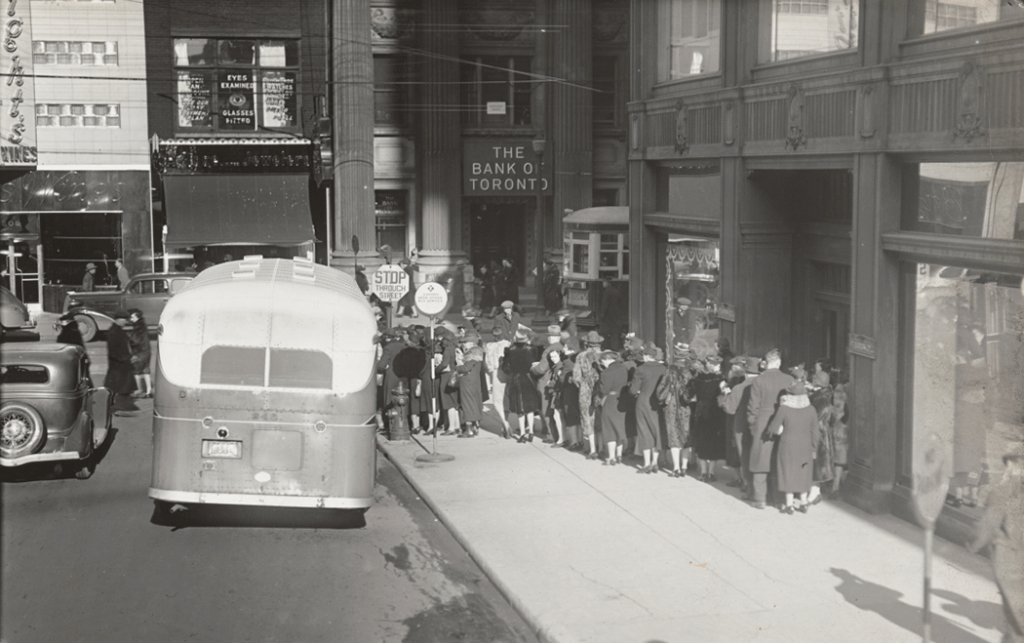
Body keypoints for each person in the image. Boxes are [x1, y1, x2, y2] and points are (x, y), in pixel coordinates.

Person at [966, 445, 1024, 643]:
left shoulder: (1002, 492)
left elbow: (985, 527)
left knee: (1016, 622)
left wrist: (971, 543)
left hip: (1012, 564)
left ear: (1012, 465)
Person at [745, 349, 795, 509]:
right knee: (779, 460)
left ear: (766, 363)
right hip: (784, 422)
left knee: (760, 459)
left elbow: (753, 407)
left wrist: (753, 425)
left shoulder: (759, 380)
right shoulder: (789, 379)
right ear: (779, 363)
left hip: (763, 422)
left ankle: (759, 498)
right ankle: (779, 499)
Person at [767, 380, 820, 514]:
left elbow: (773, 428)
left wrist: (780, 429)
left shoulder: (784, 408)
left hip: (787, 445)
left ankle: (789, 505)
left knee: (787, 472)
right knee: (803, 473)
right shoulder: (811, 409)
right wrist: (814, 448)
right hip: (805, 446)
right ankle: (803, 503)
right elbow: (815, 432)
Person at [720, 355, 762, 495]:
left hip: (741, 426)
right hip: (760, 424)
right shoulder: (763, 384)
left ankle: (747, 484)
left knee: (744, 455)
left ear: (745, 371)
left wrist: (725, 395)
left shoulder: (739, 387)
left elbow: (729, 409)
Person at [656, 351, 695, 478]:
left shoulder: (669, 371)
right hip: (686, 409)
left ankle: (676, 468)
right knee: (685, 438)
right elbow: (693, 392)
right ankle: (684, 467)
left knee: (673, 437)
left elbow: (660, 391)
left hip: (671, 407)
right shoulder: (690, 373)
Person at [630, 343, 667, 474]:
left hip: (643, 402)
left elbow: (633, 390)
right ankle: (655, 462)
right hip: (658, 403)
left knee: (644, 431)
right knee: (657, 430)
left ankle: (646, 464)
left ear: (646, 356)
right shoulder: (663, 368)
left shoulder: (640, 369)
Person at [691, 355, 727, 482]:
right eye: (717, 365)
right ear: (714, 365)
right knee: (713, 441)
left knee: (701, 441)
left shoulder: (698, 379)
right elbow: (725, 395)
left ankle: (703, 472)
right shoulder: (721, 380)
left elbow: (692, 394)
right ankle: (711, 473)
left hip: (701, 412)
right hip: (715, 413)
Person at [572, 331, 605, 460]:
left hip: (586, 390)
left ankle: (592, 449)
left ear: (587, 343)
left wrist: (584, 385)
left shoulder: (580, 356)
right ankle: (602, 448)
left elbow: (576, 377)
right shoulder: (604, 355)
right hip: (601, 389)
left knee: (587, 418)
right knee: (600, 418)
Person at [504, 331, 541, 442]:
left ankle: (522, 434)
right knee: (529, 407)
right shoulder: (532, 350)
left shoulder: (509, 350)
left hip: (515, 379)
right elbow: (535, 363)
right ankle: (531, 432)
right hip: (528, 379)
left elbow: (505, 367)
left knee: (520, 409)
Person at [595, 350, 628, 465]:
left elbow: (603, 390)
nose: (602, 363)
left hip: (610, 401)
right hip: (622, 400)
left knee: (609, 429)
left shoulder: (606, 373)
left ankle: (611, 457)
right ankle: (619, 455)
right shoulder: (623, 368)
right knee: (619, 427)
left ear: (608, 359)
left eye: (602, 360)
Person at [105, 311, 138, 414]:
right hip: (118, 365)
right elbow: (113, 352)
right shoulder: (114, 332)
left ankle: (118, 405)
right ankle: (118, 407)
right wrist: (126, 358)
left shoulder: (119, 330)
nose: (125, 322)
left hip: (122, 364)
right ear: (118, 319)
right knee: (120, 387)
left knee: (121, 387)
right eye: (124, 320)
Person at [483, 326, 512, 437]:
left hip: (497, 372)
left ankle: (505, 424)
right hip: (508, 373)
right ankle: (504, 426)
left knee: (497, 401)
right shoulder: (508, 344)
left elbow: (488, 365)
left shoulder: (490, 346)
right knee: (506, 401)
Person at [452, 345, 485, 438]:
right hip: (475, 386)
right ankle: (475, 427)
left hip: (467, 386)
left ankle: (468, 430)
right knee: (474, 405)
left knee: (467, 406)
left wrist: (457, 367)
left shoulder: (471, 361)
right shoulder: (478, 363)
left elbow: (465, 369)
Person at [127, 309, 152, 398]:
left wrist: (129, 338)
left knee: (136, 371)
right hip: (146, 351)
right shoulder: (142, 326)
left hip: (139, 352)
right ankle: (149, 390)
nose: (131, 318)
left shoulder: (138, 327)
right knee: (146, 370)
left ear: (137, 317)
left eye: (132, 317)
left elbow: (135, 340)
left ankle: (139, 389)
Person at [598, 278, 624, 350]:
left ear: (607, 283)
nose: (603, 284)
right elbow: (620, 304)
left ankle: (604, 346)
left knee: (604, 332)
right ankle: (615, 347)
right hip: (615, 315)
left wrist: (602, 314)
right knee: (614, 332)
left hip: (608, 315)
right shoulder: (616, 291)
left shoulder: (606, 292)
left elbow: (605, 304)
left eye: (603, 282)